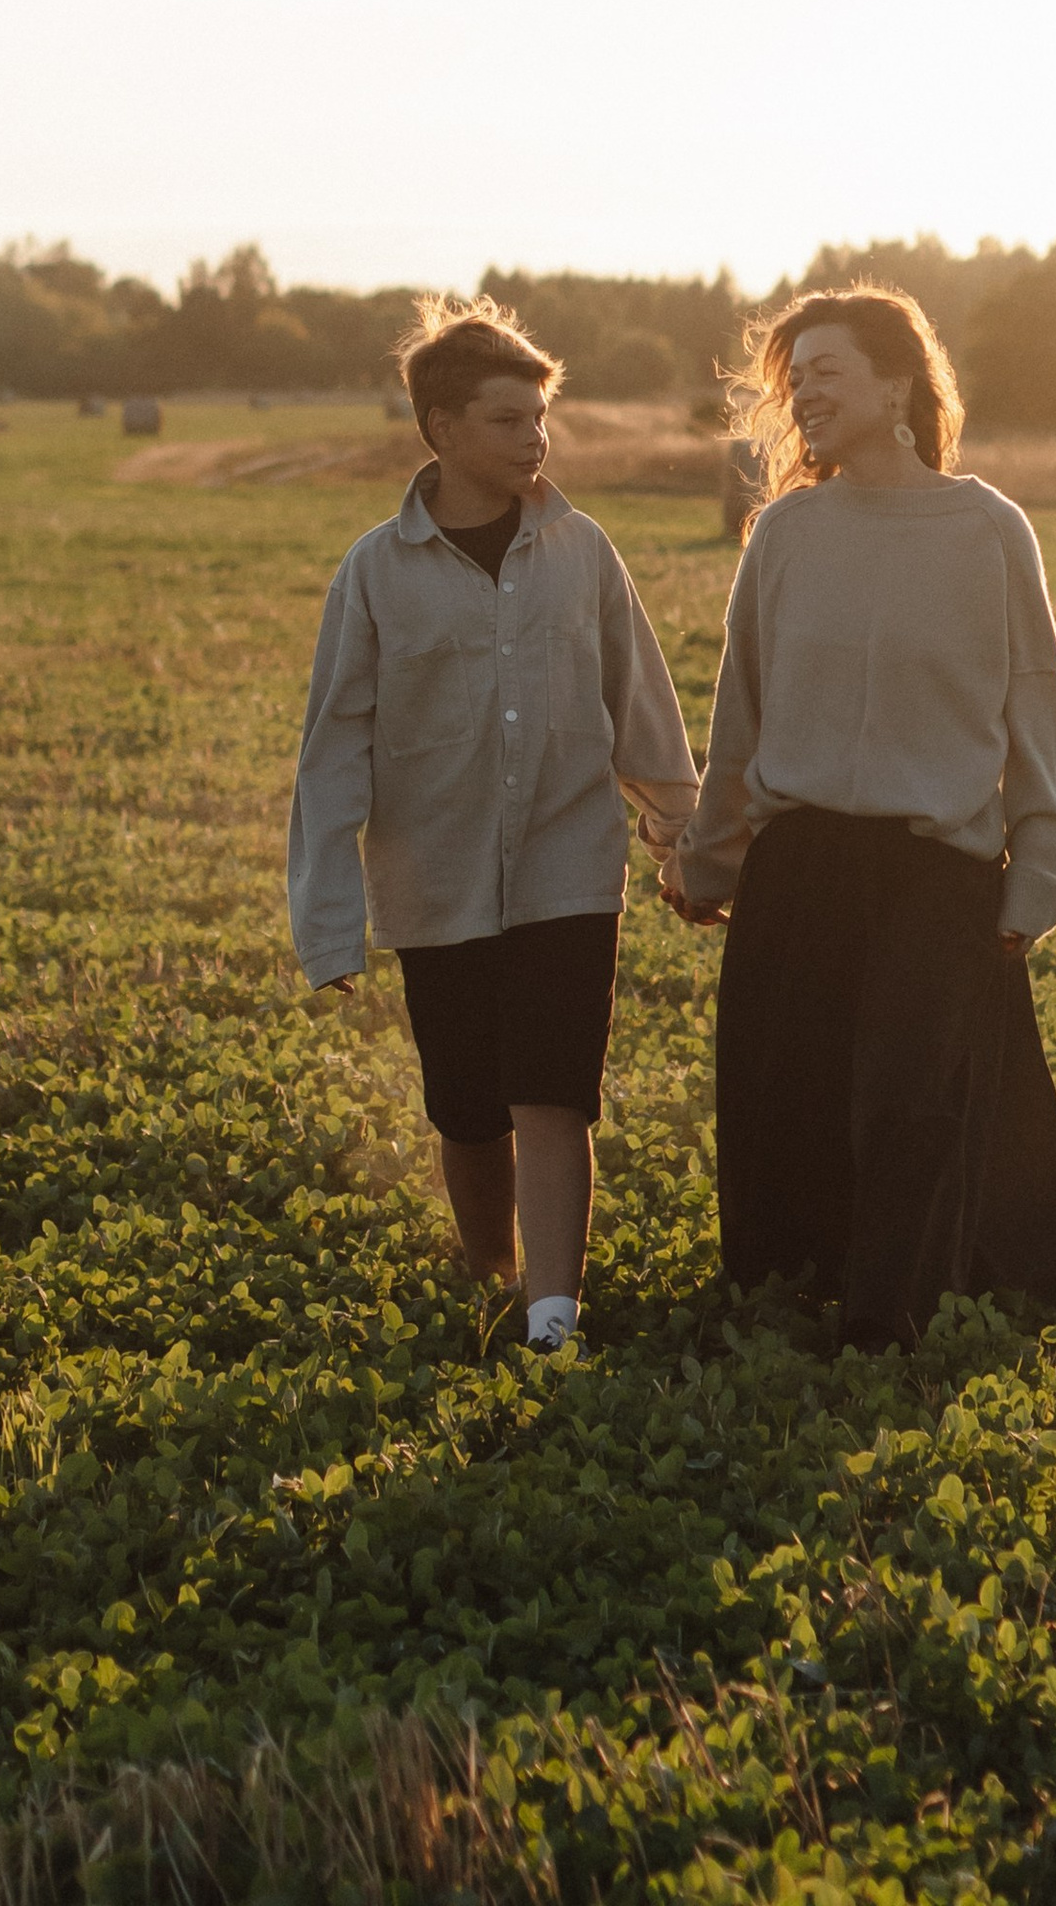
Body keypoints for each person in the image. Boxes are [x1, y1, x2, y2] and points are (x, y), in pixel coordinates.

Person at [663, 281, 1056, 1348]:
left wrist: (1038, 875)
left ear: (896, 381)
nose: (802, 393)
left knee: (910, 1103)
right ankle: (787, 1295)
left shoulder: (990, 529)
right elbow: (742, 723)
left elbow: (1037, 710)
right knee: (788, 1097)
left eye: (826, 371)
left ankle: (883, 1325)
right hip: (799, 864)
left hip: (935, 868)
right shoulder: (786, 534)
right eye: (791, 377)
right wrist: (707, 866)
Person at [287, 298, 699, 1350]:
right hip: (436, 882)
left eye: (541, 417)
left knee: (554, 1095)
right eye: (509, 419)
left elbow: (639, 702)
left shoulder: (583, 551)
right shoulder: (374, 573)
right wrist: (329, 923)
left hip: (569, 867)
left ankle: (552, 1317)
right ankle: (492, 1278)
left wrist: (683, 833)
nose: (536, 439)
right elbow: (334, 754)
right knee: (467, 1110)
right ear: (441, 429)